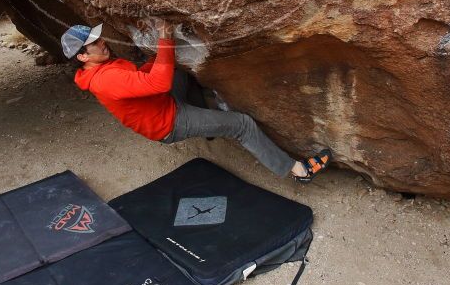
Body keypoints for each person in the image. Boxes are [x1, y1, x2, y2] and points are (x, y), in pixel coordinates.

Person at [61, 20, 332, 182]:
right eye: (93, 44)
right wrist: (165, 41)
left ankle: (207, 121)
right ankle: (298, 171)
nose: (101, 43)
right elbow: (158, 83)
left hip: (162, 103)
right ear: (83, 57)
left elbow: (144, 76)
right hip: (169, 122)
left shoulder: (103, 67)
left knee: (179, 72)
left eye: (97, 38)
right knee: (242, 124)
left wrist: (157, 57)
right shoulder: (104, 79)